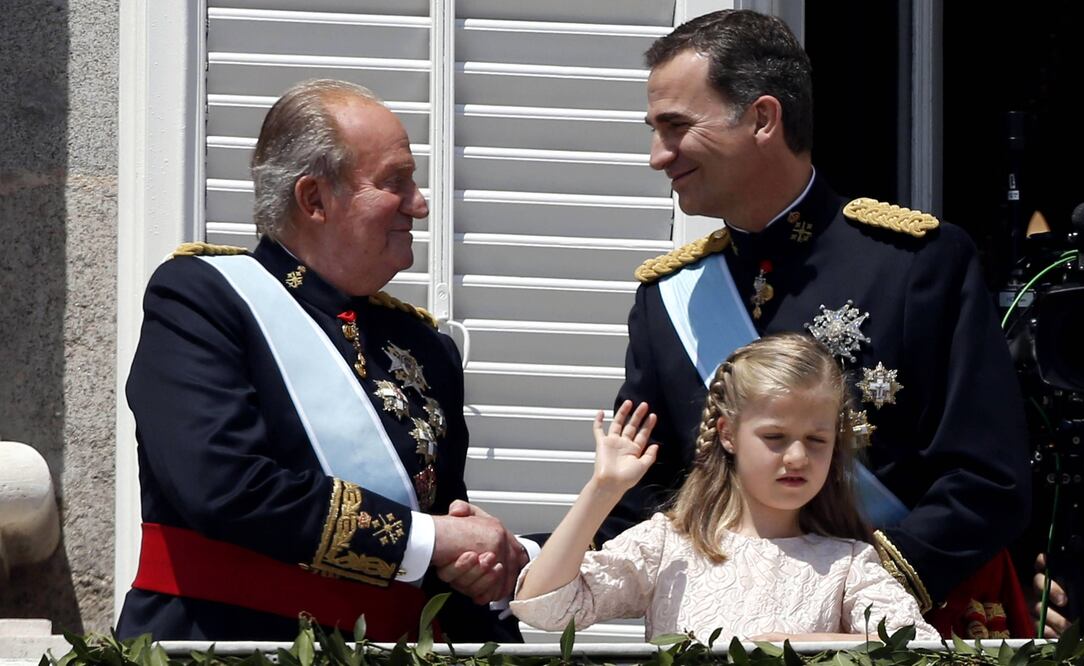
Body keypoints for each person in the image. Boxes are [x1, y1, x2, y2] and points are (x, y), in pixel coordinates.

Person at [603, 9, 1033, 638]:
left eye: (676, 128)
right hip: (735, 640)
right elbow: (648, 499)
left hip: (905, 630)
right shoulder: (671, 299)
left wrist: (851, 589)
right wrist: (525, 558)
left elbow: (988, 481)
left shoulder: (915, 266)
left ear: (762, 119)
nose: (656, 156)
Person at [117, 79, 532, 642]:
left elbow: (442, 524)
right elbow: (223, 487)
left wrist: (476, 568)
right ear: (314, 199)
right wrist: (434, 542)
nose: (421, 204)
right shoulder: (203, 298)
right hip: (228, 643)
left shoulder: (425, 346)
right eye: (396, 182)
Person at [511, 334, 939, 641]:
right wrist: (602, 491)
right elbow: (546, 607)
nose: (796, 457)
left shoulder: (848, 563)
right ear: (728, 434)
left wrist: (796, 646)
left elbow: (917, 650)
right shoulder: (669, 546)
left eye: (817, 440)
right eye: (775, 438)